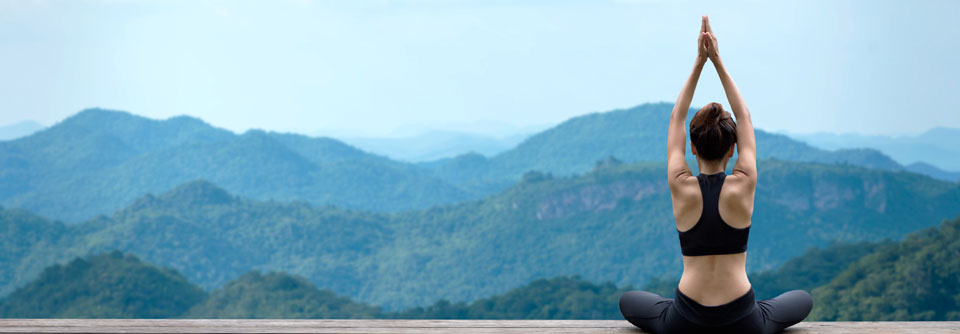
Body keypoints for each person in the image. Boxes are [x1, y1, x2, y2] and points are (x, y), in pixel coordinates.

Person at [618, 15, 813, 334]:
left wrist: (699, 61)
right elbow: (744, 117)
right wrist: (717, 60)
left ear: (692, 148)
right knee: (802, 299)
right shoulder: (744, 182)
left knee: (629, 300)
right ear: (733, 148)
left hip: (684, 317)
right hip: (742, 318)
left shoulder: (681, 185)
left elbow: (675, 117)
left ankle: (674, 311)